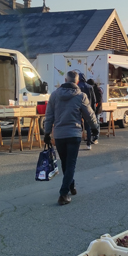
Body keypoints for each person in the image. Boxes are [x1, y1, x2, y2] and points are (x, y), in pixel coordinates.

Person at [44, 71, 99, 205]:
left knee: (65, 162)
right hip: (74, 133)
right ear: (77, 82)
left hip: (59, 134)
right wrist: (94, 127)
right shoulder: (81, 96)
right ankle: (63, 193)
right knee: (71, 163)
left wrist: (46, 133)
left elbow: (49, 115)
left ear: (65, 79)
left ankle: (71, 186)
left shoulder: (54, 95)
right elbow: (89, 114)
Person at [78, 73, 96, 150]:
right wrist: (93, 110)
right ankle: (88, 143)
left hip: (78, 109)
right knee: (88, 127)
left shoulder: (77, 87)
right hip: (88, 108)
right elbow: (94, 99)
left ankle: (77, 142)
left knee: (78, 126)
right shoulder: (90, 87)